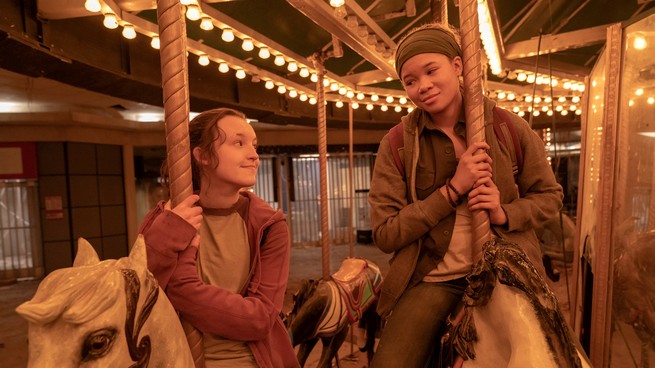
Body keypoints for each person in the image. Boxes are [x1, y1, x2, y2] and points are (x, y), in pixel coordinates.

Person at [368, 23, 563, 367]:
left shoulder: (508, 126)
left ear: (458, 66)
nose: (422, 87)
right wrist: (452, 190)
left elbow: (549, 195)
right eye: (410, 81)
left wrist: (504, 213)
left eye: (431, 71)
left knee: (553, 354)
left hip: (507, 270)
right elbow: (386, 232)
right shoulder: (398, 143)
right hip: (435, 278)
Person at [138, 108, 299, 368]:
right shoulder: (164, 220)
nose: (254, 156)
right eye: (238, 143)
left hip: (244, 361)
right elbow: (141, 296)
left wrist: (182, 285)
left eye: (254, 146)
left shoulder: (268, 226)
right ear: (202, 156)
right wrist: (166, 235)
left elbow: (259, 319)